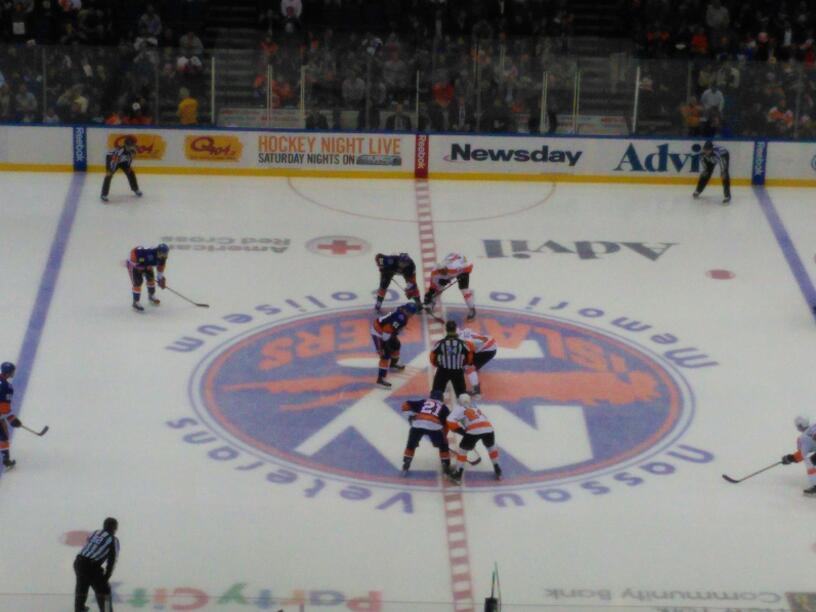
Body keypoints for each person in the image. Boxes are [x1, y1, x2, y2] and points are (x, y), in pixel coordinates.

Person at [446, 393, 501, 483]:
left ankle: (458, 475)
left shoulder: (458, 408)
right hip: (488, 428)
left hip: (473, 431)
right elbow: (483, 419)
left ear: (459, 401)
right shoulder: (476, 408)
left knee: (463, 451)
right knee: (491, 447)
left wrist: (462, 432)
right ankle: (497, 468)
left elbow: (450, 421)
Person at [400, 389, 452, 477]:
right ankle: (445, 464)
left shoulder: (423, 402)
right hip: (434, 426)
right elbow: (447, 425)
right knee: (443, 445)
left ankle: (407, 461)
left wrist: (410, 416)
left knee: (411, 444)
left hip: (417, 424)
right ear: (442, 398)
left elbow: (405, 405)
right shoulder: (444, 408)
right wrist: (442, 439)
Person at [74, 517, 120, 612]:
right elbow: (112, 560)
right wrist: (107, 576)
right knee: (104, 591)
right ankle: (106, 611)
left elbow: (90, 544)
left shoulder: (96, 533)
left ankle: (79, 609)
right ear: (114, 528)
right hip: (91, 566)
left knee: (82, 587)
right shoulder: (113, 540)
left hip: (79, 561)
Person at [370, 302, 417, 387]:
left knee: (396, 345)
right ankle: (380, 379)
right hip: (379, 333)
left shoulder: (402, 310)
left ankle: (393, 364)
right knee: (385, 355)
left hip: (388, 332)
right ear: (410, 313)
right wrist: (385, 344)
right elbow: (387, 329)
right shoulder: (400, 318)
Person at [423, 252, 476, 320]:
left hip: (461, 272)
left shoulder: (455, 267)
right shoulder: (435, 273)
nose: (442, 273)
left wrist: (465, 273)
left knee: (464, 290)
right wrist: (430, 294)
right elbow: (433, 287)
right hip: (451, 270)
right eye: (440, 271)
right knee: (438, 289)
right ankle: (431, 303)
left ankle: (472, 309)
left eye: (443, 271)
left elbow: (470, 265)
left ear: (446, 268)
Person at [430, 320, 474, 397]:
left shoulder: (440, 343)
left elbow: (432, 355)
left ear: (446, 329)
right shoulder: (462, 343)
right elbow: (469, 354)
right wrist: (466, 363)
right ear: (455, 329)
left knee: (436, 392)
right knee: (462, 394)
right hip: (457, 371)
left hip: (443, 371)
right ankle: (463, 407)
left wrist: (435, 363)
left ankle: (435, 406)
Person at [127, 244, 169, 312]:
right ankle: (136, 302)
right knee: (138, 282)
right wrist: (140, 267)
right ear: (158, 252)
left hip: (147, 264)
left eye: (165, 254)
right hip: (135, 263)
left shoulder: (163, 258)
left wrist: (160, 279)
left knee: (151, 280)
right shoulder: (149, 253)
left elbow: (160, 268)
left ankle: (151, 296)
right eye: (162, 254)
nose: (163, 256)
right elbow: (138, 259)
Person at [457, 326, 496, 397]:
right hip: (484, 345)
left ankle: (477, 391)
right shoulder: (461, 335)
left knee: (469, 368)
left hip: (488, 350)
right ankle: (476, 368)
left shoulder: (467, 343)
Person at [782, 416, 816, 496]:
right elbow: (802, 453)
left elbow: (803, 453)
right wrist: (791, 458)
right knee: (812, 460)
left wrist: (791, 458)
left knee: (810, 462)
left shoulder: (803, 437)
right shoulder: (806, 435)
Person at [101, 136, 142, 202]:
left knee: (131, 172)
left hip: (123, 161)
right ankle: (104, 194)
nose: (131, 147)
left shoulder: (133, 151)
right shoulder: (119, 152)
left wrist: (128, 167)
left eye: (132, 145)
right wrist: (110, 170)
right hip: (112, 159)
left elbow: (130, 159)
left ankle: (135, 189)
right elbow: (114, 162)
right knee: (109, 175)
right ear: (125, 145)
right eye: (129, 146)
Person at [693, 140, 731, 205]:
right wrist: (705, 170)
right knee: (705, 174)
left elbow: (723, 165)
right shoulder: (702, 154)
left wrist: (723, 172)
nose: (707, 151)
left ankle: (727, 196)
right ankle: (698, 190)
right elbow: (703, 162)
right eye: (705, 150)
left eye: (708, 150)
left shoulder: (719, 154)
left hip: (724, 155)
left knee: (725, 175)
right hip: (710, 159)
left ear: (712, 149)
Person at [0, 362, 22, 471]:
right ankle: (6, 459)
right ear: (8, 373)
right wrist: (12, 419)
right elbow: (4, 408)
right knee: (3, 436)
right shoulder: (7, 387)